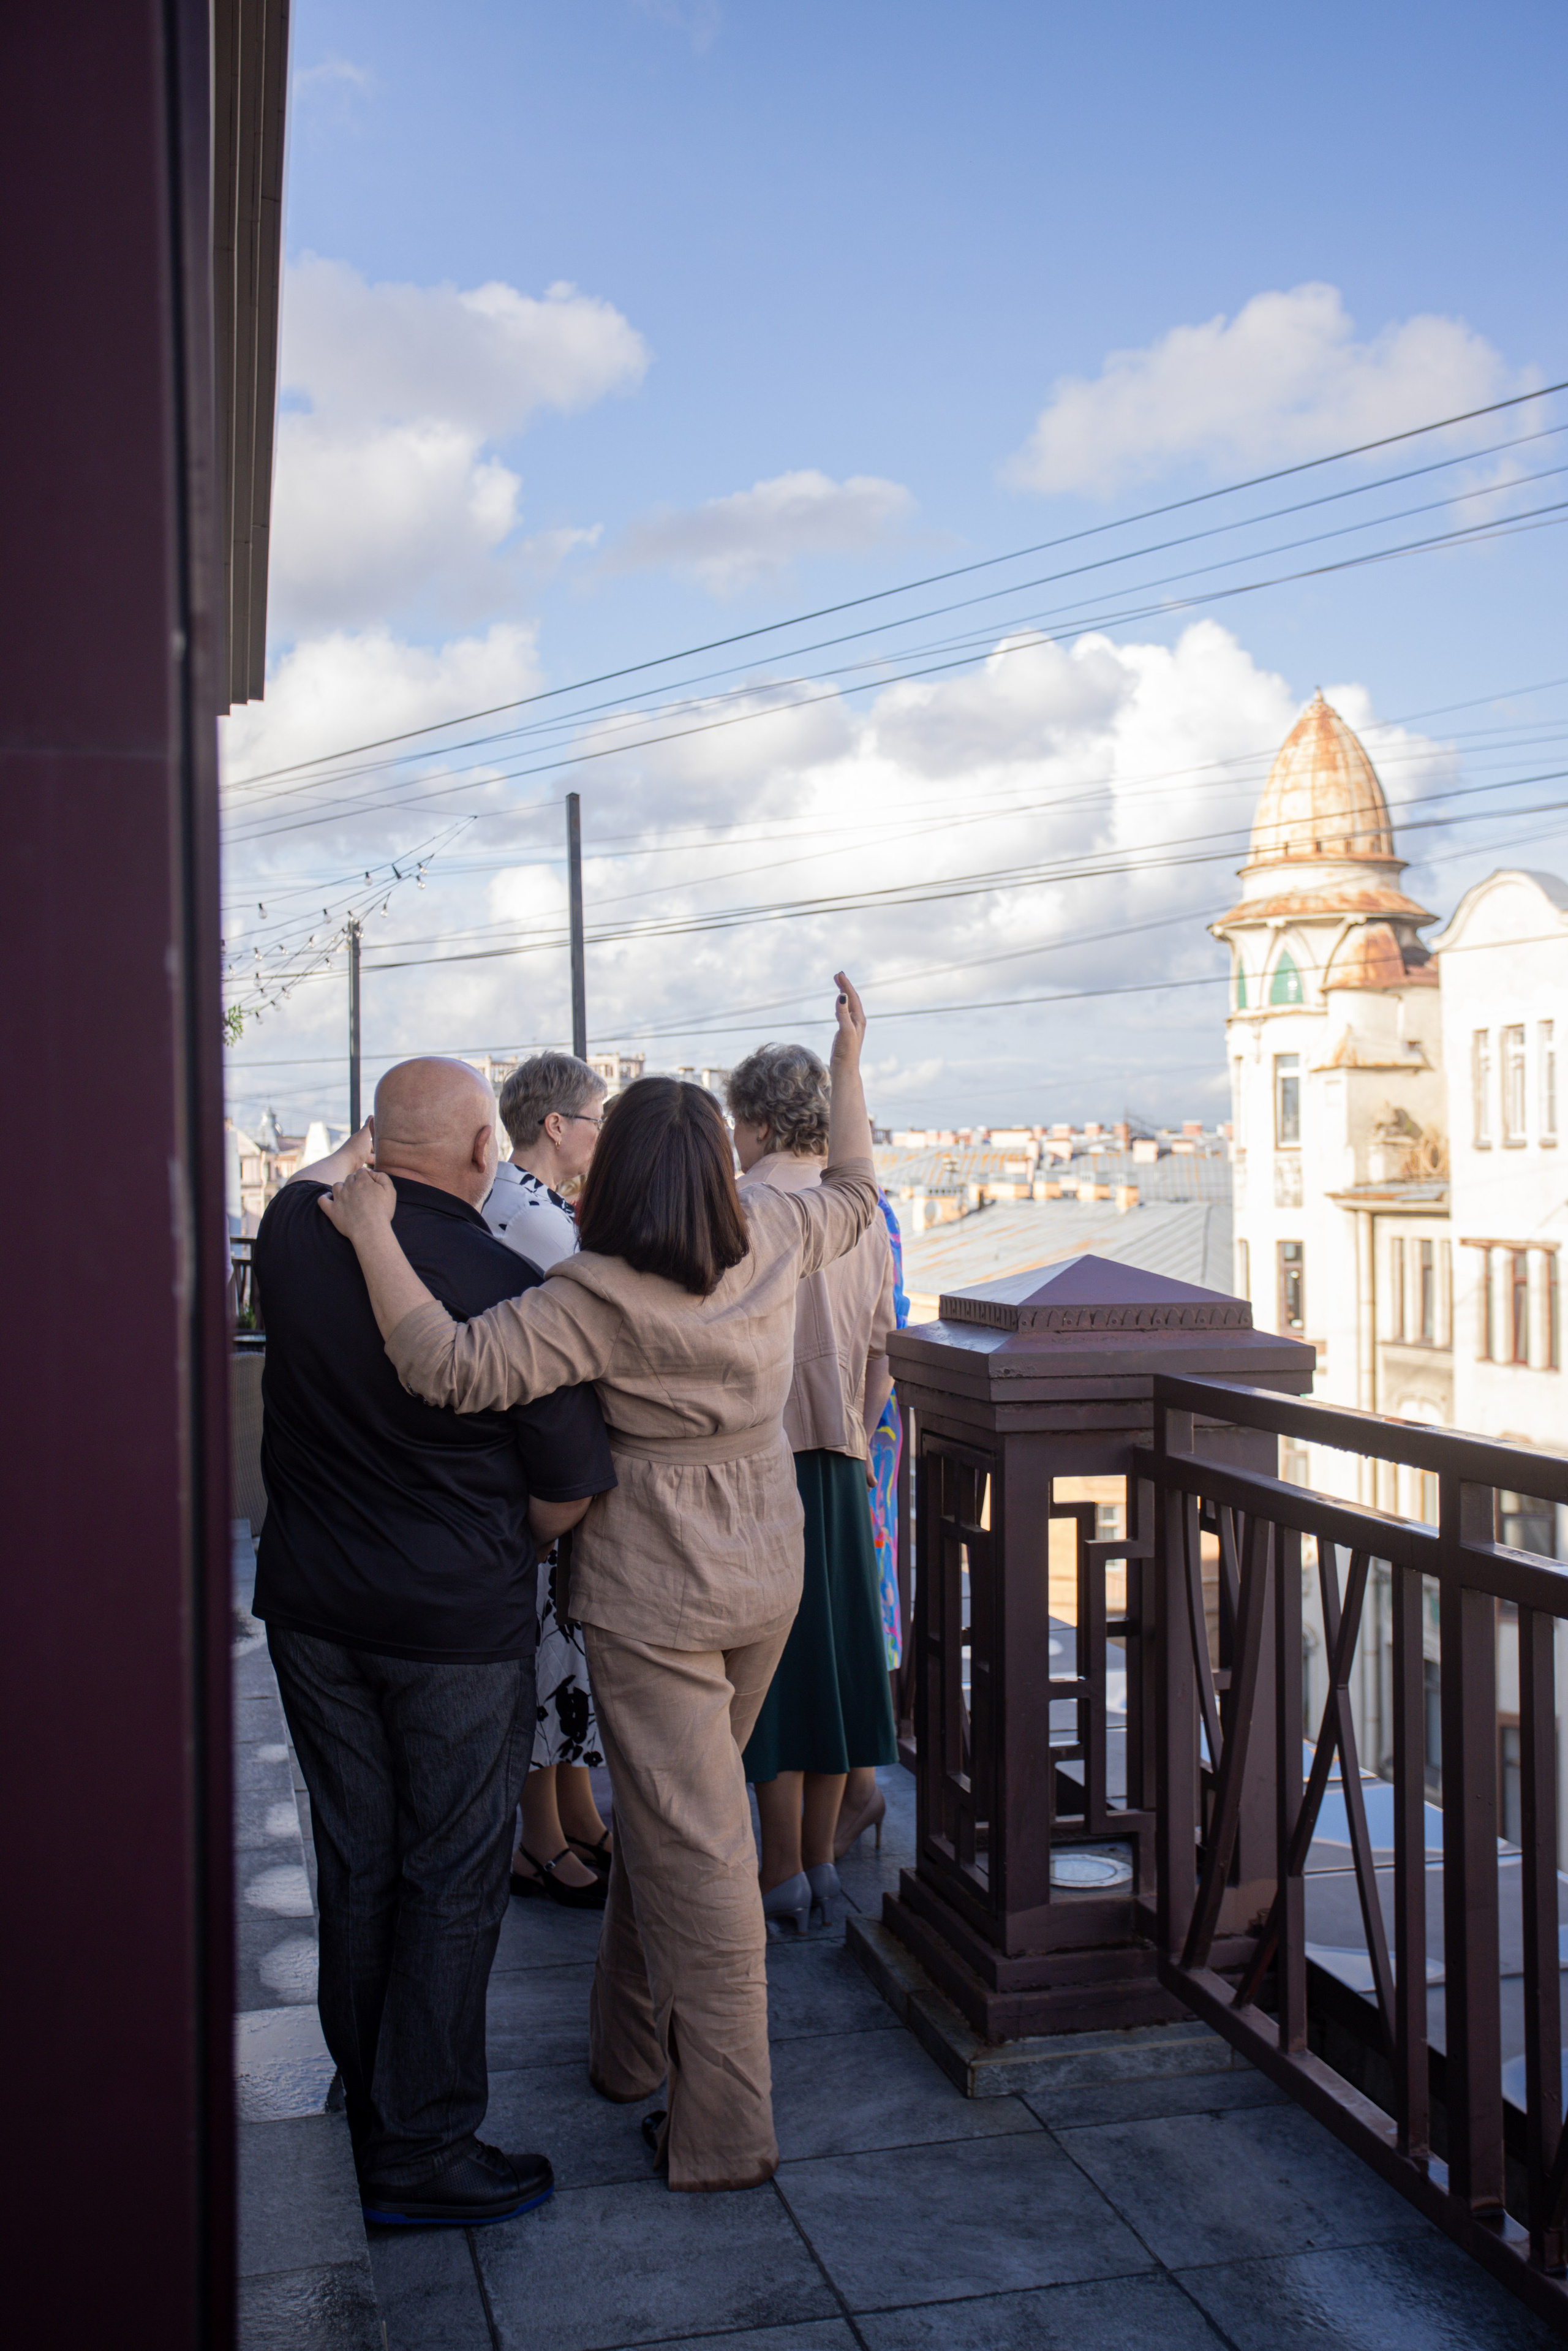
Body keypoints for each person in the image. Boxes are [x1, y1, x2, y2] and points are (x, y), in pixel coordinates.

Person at [319, 975, 877, 2194]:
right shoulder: (774, 1237)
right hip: (764, 1561)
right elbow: (853, 1189)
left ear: (615, 1172)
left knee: (701, 1845)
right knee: (672, 1822)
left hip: (652, 1585)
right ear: (718, 1170)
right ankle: (627, 2052)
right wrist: (845, 1057)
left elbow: (442, 1364)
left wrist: (368, 1230)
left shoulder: (588, 1293)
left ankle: (723, 2130)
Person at [251, 1059, 616, 2227]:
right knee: (454, 1874)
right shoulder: (510, 1283)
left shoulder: (297, 1234)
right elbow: (567, 1492)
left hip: (314, 1605)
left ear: (372, 1141)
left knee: (359, 1860)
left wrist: (362, 1149)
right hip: (452, 1624)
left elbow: (324, 1177)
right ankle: (424, 2143)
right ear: (482, 1154)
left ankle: (375, 2107)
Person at [727, 1044, 898, 1927]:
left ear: (754, 1120)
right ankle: (824, 1864)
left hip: (760, 1459)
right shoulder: (865, 1210)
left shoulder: (746, 1203)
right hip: (842, 1459)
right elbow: (882, 1350)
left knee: (775, 1673)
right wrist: (861, 1443)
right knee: (835, 1662)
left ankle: (779, 1868)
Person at [484, 1051, 614, 1908]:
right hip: (535, 1457)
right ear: (557, 1125)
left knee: (558, 1643)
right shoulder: (537, 1221)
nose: (603, 1132)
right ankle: (539, 1840)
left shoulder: (517, 1200)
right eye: (597, 1116)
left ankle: (571, 1815)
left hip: (527, 1450)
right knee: (546, 1644)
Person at [835, 1184, 911, 1859]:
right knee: (844, 1602)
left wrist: (859, 1431)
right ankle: (850, 1786)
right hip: (839, 1425)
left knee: (856, 1598)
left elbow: (885, 1331)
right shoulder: (833, 1200)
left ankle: (858, 1789)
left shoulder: (861, 1207)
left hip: (853, 1431)